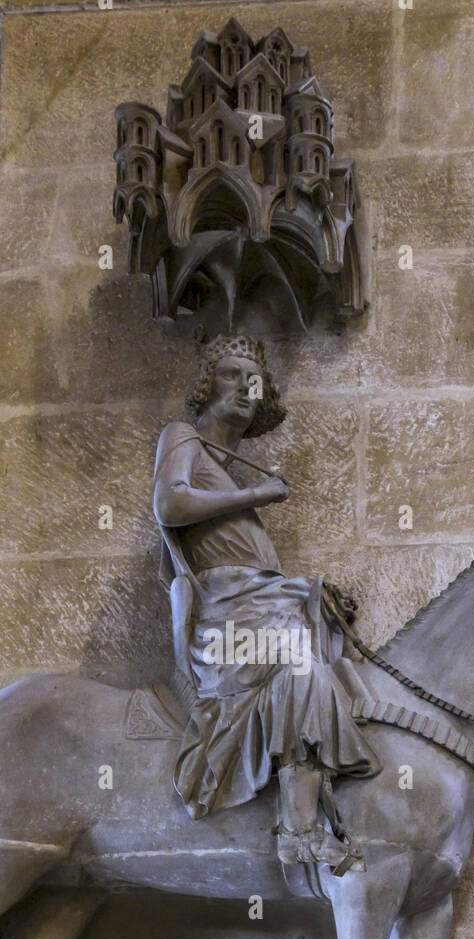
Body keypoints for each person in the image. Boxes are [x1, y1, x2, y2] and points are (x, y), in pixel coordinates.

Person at [153, 333, 379, 873]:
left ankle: (305, 816)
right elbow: (170, 502)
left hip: (255, 605)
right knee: (303, 673)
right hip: (224, 617)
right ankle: (296, 834)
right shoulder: (182, 436)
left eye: (253, 381)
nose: (245, 388)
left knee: (324, 674)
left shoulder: (224, 466)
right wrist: (256, 495)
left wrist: (308, 590)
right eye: (232, 375)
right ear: (208, 386)